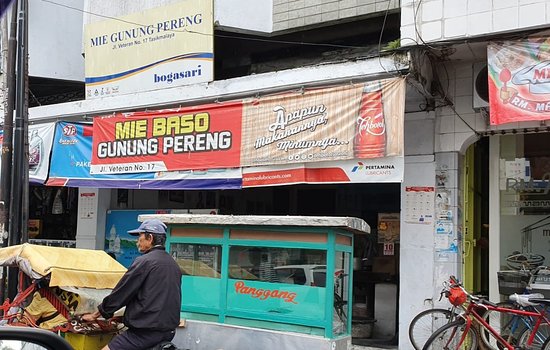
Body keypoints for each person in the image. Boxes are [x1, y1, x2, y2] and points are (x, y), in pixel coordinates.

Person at [82, 219, 182, 350]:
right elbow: (154, 298)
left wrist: (97, 314)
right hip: (168, 331)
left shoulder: (145, 261)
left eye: (140, 236)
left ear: (150, 238)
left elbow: (122, 292)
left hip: (145, 333)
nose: (137, 241)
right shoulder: (173, 264)